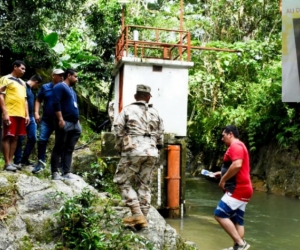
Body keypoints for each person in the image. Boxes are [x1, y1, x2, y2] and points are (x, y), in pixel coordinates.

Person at [113, 84, 164, 229]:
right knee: (144, 184)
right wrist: (156, 147)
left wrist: (121, 146)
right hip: (152, 152)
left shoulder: (128, 109)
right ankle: (143, 219)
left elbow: (118, 129)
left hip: (133, 150)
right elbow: (161, 135)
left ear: (136, 96)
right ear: (148, 98)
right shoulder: (156, 113)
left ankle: (136, 213)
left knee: (121, 180)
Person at [213, 125, 252, 250]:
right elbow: (235, 166)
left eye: (223, 135)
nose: (222, 138)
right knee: (237, 220)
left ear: (230, 134)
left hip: (238, 188)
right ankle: (237, 247)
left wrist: (223, 180)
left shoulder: (236, 145)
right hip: (244, 189)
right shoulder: (239, 146)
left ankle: (241, 244)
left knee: (219, 214)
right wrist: (222, 173)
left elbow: (237, 165)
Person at [50, 68, 81, 180]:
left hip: (74, 123)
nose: (77, 79)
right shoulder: (59, 86)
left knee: (69, 148)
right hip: (64, 121)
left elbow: (75, 105)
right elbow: (56, 102)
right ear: (69, 76)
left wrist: (78, 120)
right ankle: (54, 172)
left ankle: (66, 171)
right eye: (75, 76)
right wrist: (60, 119)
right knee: (59, 146)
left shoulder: (72, 91)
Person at [32, 69, 64, 174]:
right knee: (42, 140)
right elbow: (38, 100)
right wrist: (36, 112)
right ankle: (41, 163)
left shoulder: (64, 87)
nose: (61, 77)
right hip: (46, 120)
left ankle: (59, 166)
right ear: (53, 76)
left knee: (60, 143)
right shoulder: (45, 87)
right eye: (59, 75)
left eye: (63, 75)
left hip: (60, 120)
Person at [0, 60, 29, 172]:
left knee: (16, 137)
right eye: (22, 68)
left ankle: (11, 162)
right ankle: (7, 163)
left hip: (20, 113)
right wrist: (5, 113)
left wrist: (26, 115)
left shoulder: (22, 83)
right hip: (10, 112)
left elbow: (25, 100)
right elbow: (1, 96)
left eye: (25, 69)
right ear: (15, 67)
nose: (24, 71)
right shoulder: (5, 79)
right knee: (8, 136)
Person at [14, 74, 42, 167]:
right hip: (22, 115)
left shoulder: (31, 90)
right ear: (36, 82)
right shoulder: (23, 86)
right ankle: (17, 160)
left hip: (31, 116)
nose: (37, 87)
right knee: (20, 139)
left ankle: (24, 159)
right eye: (38, 85)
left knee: (33, 138)